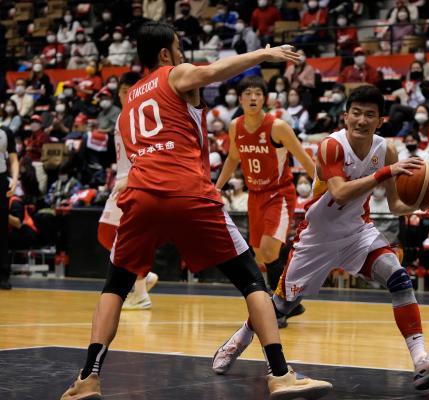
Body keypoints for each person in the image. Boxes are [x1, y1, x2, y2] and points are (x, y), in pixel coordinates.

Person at [60, 21, 331, 399]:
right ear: (165, 54)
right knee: (252, 280)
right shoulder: (174, 74)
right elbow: (213, 71)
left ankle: (88, 378)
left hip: (140, 195)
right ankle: (280, 374)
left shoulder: (128, 105)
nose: (183, 54)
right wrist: (263, 54)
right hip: (188, 190)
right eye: (178, 48)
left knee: (115, 287)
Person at [212, 86, 429, 391]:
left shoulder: (387, 151)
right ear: (345, 116)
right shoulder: (332, 146)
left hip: (357, 232)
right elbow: (339, 193)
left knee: (399, 279)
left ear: (380, 121)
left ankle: (421, 361)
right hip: (317, 238)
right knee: (280, 306)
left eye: (370, 114)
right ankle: (238, 341)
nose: (362, 120)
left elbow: (395, 205)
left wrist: (421, 204)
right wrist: (385, 173)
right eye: (356, 113)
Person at [215, 76, 316, 291]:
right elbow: (232, 158)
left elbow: (305, 159)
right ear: (240, 99)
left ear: (264, 99)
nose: (253, 98)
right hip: (254, 195)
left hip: (278, 194)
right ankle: (286, 298)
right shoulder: (235, 126)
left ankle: (284, 301)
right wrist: (217, 187)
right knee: (260, 254)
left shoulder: (277, 127)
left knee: (270, 251)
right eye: (248, 94)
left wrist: (324, 189)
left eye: (258, 94)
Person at [97, 72, 159, 311]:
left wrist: (133, 177)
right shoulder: (122, 117)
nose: (128, 96)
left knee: (126, 238)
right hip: (123, 180)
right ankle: (143, 276)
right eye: (124, 92)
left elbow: (149, 152)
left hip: (135, 181)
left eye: (131, 92)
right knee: (106, 234)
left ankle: (141, 291)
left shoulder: (143, 117)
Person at [0, 126, 19, 290]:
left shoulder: (6, 132)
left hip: (1, 180)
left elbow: (13, 159)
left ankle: (3, 274)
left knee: (2, 229)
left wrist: (14, 180)